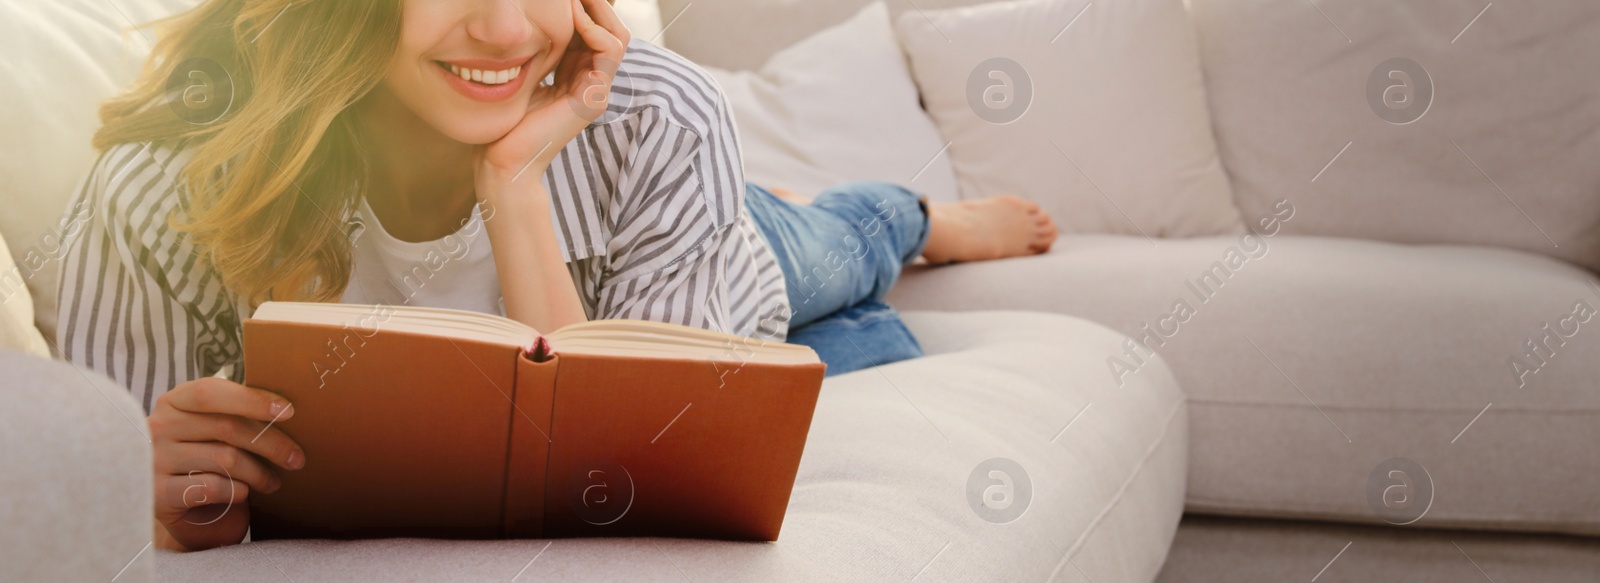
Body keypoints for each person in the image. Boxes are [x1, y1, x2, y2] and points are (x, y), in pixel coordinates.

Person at [58, 0, 1058, 551]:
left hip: (736, 266)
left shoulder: (652, 117)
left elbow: (627, 472)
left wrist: (515, 180)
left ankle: (923, 214)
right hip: (658, 266)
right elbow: (122, 501)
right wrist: (155, 488)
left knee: (835, 251)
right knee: (870, 337)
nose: (505, 30)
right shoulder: (161, 185)